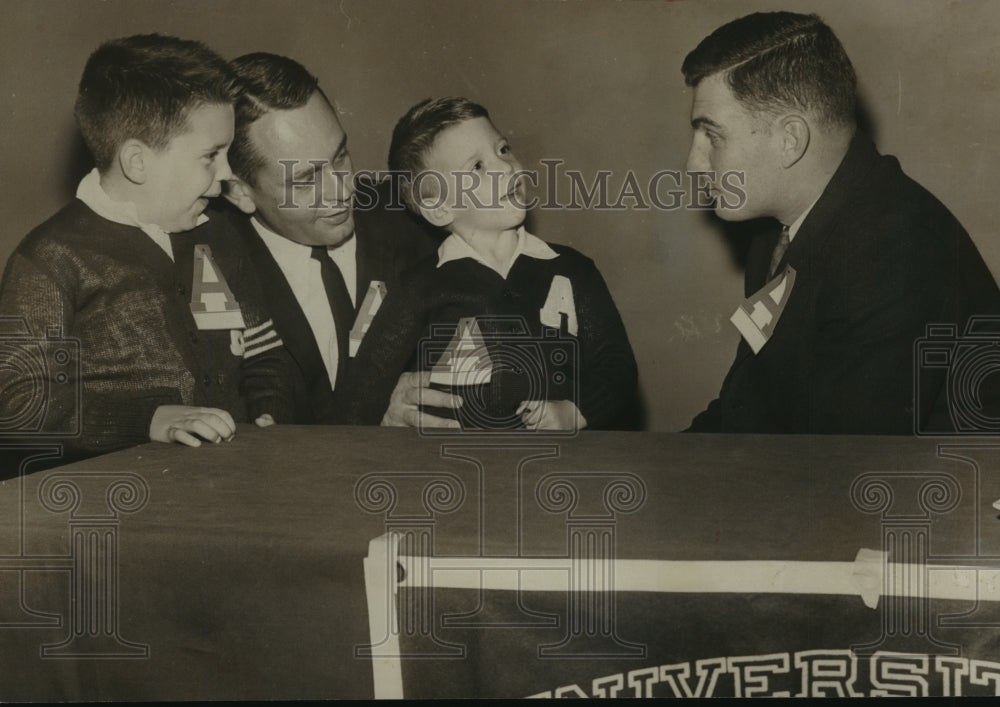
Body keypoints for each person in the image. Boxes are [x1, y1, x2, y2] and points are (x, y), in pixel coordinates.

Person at [682, 11, 1000, 434]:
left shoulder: (898, 252)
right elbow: (751, 406)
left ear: (790, 140)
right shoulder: (778, 230)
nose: (693, 164)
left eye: (713, 136)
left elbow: (839, 474)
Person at [0, 34, 293, 460]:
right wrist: (148, 419)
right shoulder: (51, 258)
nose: (227, 173)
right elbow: (17, 400)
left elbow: (266, 356)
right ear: (137, 162)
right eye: (211, 155)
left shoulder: (219, 235)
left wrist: (271, 413)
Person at [331, 97, 639, 430]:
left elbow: (617, 365)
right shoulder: (419, 287)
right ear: (438, 207)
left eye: (503, 150)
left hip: (556, 464)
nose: (506, 167)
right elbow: (363, 388)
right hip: (452, 467)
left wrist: (576, 411)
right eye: (477, 166)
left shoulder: (574, 270)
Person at [214, 53, 448, 424]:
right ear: (240, 192)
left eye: (340, 157)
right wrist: (370, 417)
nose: (342, 189)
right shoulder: (208, 268)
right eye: (306, 180)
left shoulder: (418, 219)